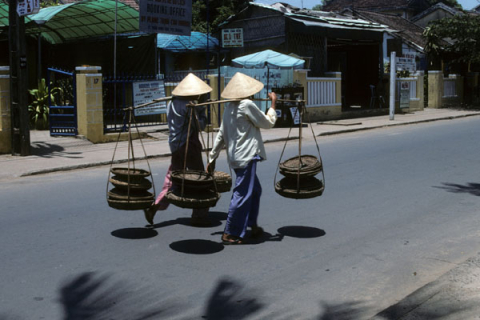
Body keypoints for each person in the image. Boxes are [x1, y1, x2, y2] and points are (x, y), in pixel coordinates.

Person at [207, 72, 277, 244]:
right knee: (242, 193)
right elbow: (267, 123)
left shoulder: (229, 107)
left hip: (236, 157)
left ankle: (252, 225)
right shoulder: (247, 104)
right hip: (246, 157)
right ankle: (230, 231)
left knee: (255, 190)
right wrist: (273, 103)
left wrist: (212, 157)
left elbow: (221, 134)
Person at [144, 73, 212, 226]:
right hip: (189, 145)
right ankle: (199, 213)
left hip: (175, 145)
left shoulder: (172, 102)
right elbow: (198, 125)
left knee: (173, 176)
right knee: (199, 177)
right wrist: (202, 112)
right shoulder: (189, 106)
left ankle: (156, 204)